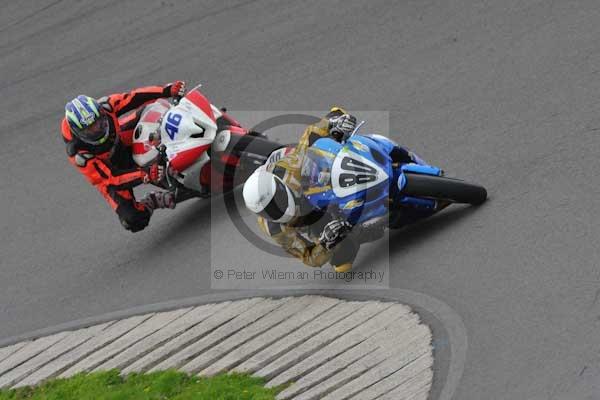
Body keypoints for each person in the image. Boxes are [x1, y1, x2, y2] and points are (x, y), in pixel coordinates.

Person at [243, 108, 363, 272]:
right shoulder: (275, 229)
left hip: (315, 184)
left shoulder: (288, 170)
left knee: (331, 130)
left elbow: (309, 138)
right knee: (341, 261)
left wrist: (334, 124)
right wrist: (326, 242)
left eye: (277, 201)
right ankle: (361, 230)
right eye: (269, 212)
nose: (276, 210)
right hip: (312, 218)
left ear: (279, 185)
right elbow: (309, 257)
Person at [61, 81, 186, 232]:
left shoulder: (106, 106)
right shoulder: (79, 155)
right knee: (133, 220)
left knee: (152, 111)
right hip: (110, 172)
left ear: (101, 114)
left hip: (120, 141)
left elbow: (133, 97)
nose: (97, 130)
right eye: (90, 130)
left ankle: (189, 128)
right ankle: (153, 201)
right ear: (78, 132)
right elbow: (112, 179)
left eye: (99, 123)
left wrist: (166, 90)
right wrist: (144, 174)